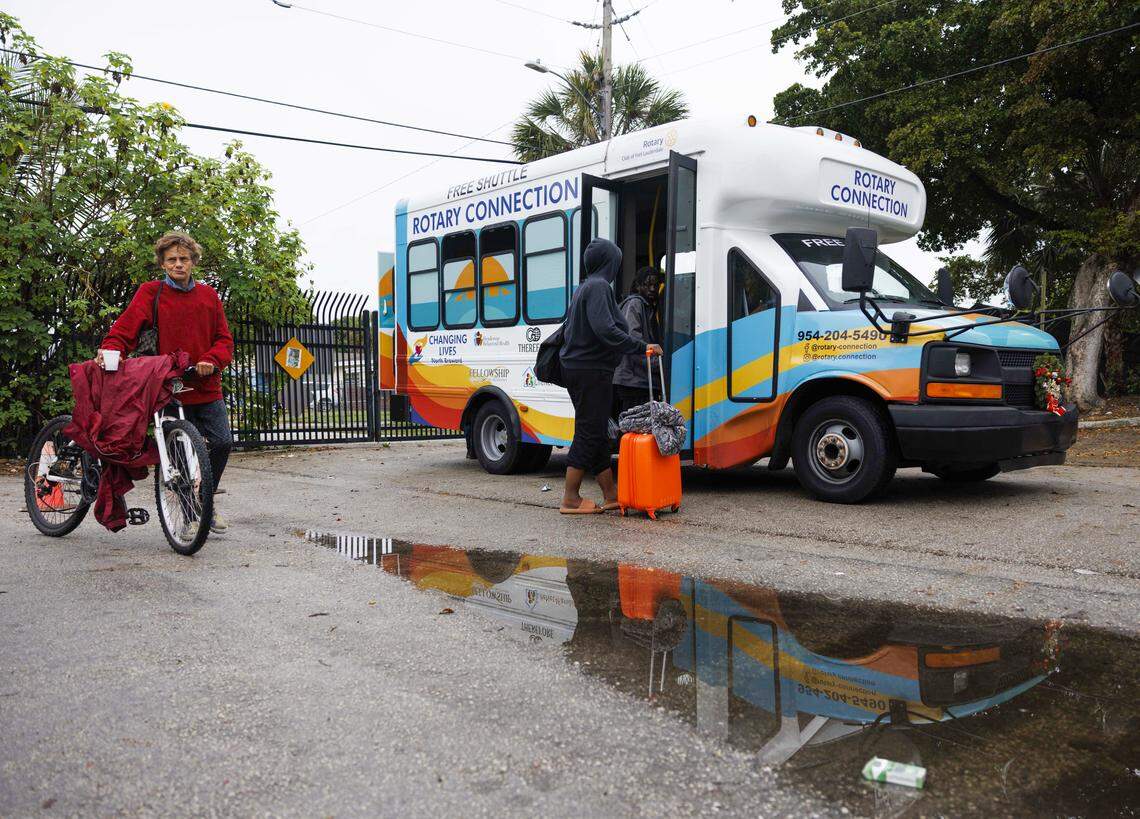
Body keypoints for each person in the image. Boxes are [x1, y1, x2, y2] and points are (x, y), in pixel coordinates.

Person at [96, 231, 234, 533]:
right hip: (166, 384)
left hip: (204, 384)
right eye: (171, 259)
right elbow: (125, 328)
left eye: (184, 259)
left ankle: (204, 498)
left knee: (223, 441)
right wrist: (110, 351)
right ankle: (188, 516)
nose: (178, 264)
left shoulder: (209, 297)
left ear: (194, 262)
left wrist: (212, 359)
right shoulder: (151, 293)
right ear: (163, 264)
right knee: (177, 452)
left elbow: (224, 339)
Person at [559, 238, 662, 514]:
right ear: (609, 263)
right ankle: (570, 497)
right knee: (588, 430)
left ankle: (610, 494)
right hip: (590, 370)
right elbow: (606, 330)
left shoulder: (585, 287)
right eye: (616, 261)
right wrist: (643, 347)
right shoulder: (598, 286)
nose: (617, 267)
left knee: (597, 432)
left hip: (585, 368)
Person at [613, 266, 663, 416]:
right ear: (638, 286)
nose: (652, 289)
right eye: (648, 284)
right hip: (633, 381)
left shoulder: (649, 307)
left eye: (655, 285)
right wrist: (658, 366)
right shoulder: (635, 303)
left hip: (640, 380)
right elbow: (632, 341)